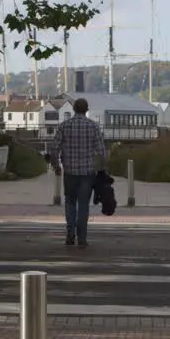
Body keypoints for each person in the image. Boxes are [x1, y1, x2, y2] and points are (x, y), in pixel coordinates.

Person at [50, 98, 106, 248]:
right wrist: (102, 169)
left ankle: (70, 234)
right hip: (88, 172)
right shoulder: (93, 126)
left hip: (70, 171)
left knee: (69, 202)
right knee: (83, 205)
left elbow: (54, 148)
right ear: (86, 109)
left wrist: (56, 165)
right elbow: (101, 152)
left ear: (74, 109)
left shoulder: (64, 126)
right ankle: (82, 238)